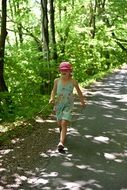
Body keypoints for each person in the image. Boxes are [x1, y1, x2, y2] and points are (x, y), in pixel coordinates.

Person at [49, 61, 85, 151]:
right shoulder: (57, 81)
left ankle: (61, 142)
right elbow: (53, 91)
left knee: (64, 122)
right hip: (59, 104)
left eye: (66, 70)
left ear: (70, 71)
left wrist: (82, 102)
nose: (63, 72)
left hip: (68, 105)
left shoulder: (73, 81)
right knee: (59, 123)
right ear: (59, 71)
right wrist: (52, 98)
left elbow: (79, 92)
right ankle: (62, 132)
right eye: (62, 70)